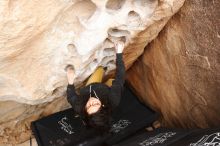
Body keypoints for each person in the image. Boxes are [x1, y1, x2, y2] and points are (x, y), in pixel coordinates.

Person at [66, 41, 125, 133]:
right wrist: (119, 54)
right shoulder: (113, 100)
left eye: (89, 106)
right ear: (103, 106)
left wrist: (70, 81)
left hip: (91, 87)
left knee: (98, 69)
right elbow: (120, 78)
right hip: (106, 91)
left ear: (85, 110)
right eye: (96, 104)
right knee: (113, 81)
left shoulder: (79, 107)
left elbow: (71, 96)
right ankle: (106, 73)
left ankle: (102, 69)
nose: (91, 102)